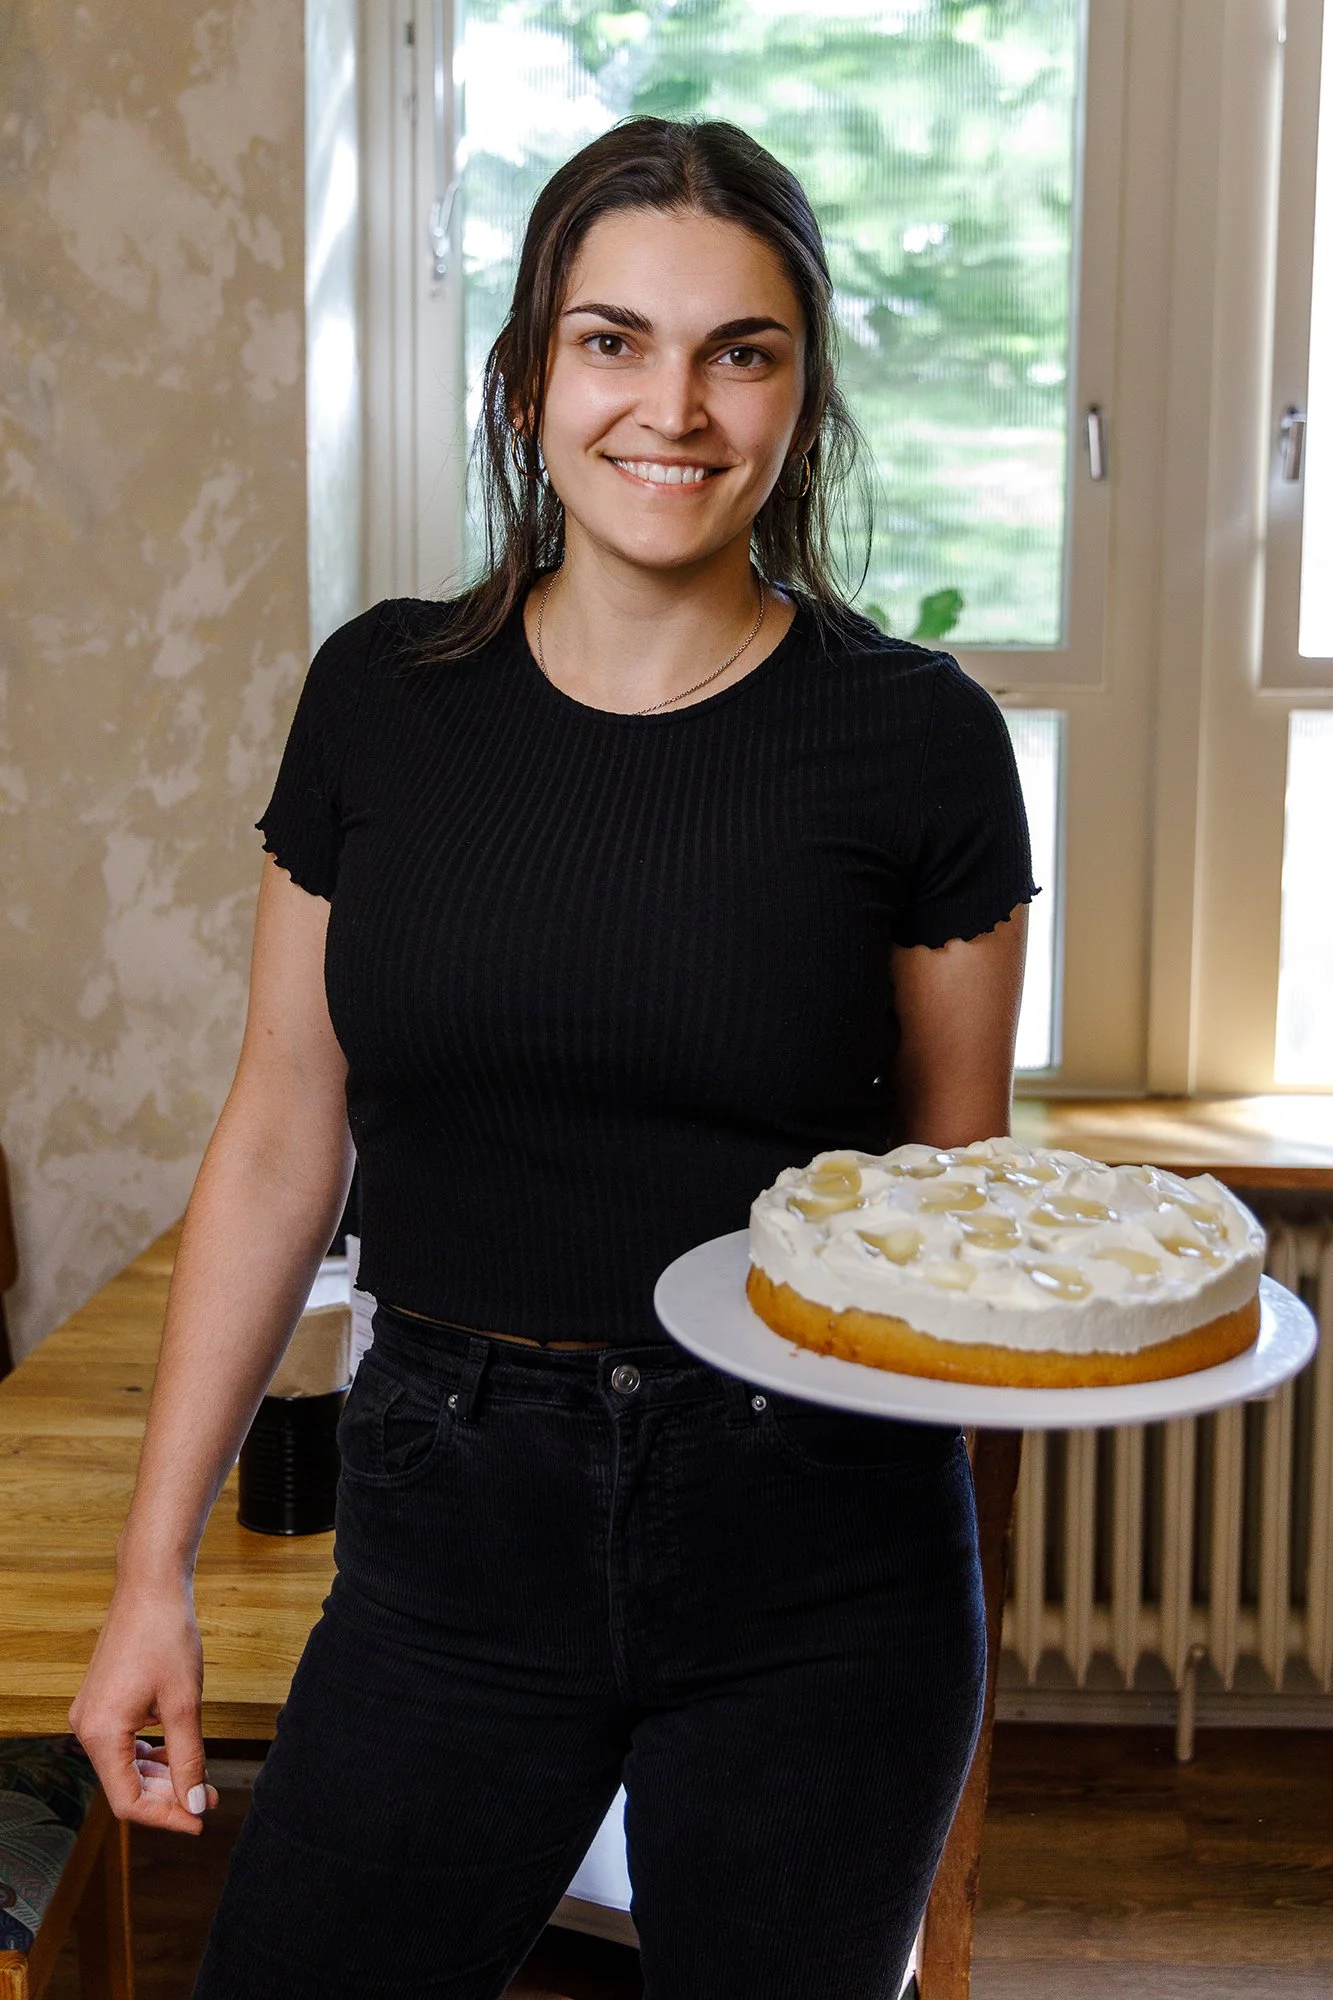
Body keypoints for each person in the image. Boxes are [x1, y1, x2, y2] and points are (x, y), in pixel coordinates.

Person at [70, 117, 1036, 1999]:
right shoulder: (383, 697)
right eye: (613, 342)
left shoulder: (918, 741)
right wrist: (148, 1576)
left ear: (798, 396)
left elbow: (946, 1195)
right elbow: (284, 1129)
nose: (670, 407)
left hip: (817, 1550)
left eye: (738, 351)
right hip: (449, 1521)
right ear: (527, 380)